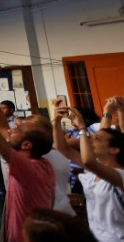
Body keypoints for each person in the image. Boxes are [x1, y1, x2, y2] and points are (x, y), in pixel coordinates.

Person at [0, 73, 54, 242]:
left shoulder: (27, 166)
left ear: (26, 145)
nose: (13, 127)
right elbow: (2, 126)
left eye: (18, 129)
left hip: (24, 235)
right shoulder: (40, 160)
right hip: (16, 226)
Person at [52, 103, 124, 242]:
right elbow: (63, 148)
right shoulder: (93, 171)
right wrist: (56, 121)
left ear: (114, 150)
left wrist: (82, 128)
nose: (90, 139)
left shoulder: (120, 174)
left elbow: (88, 161)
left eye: (97, 138)